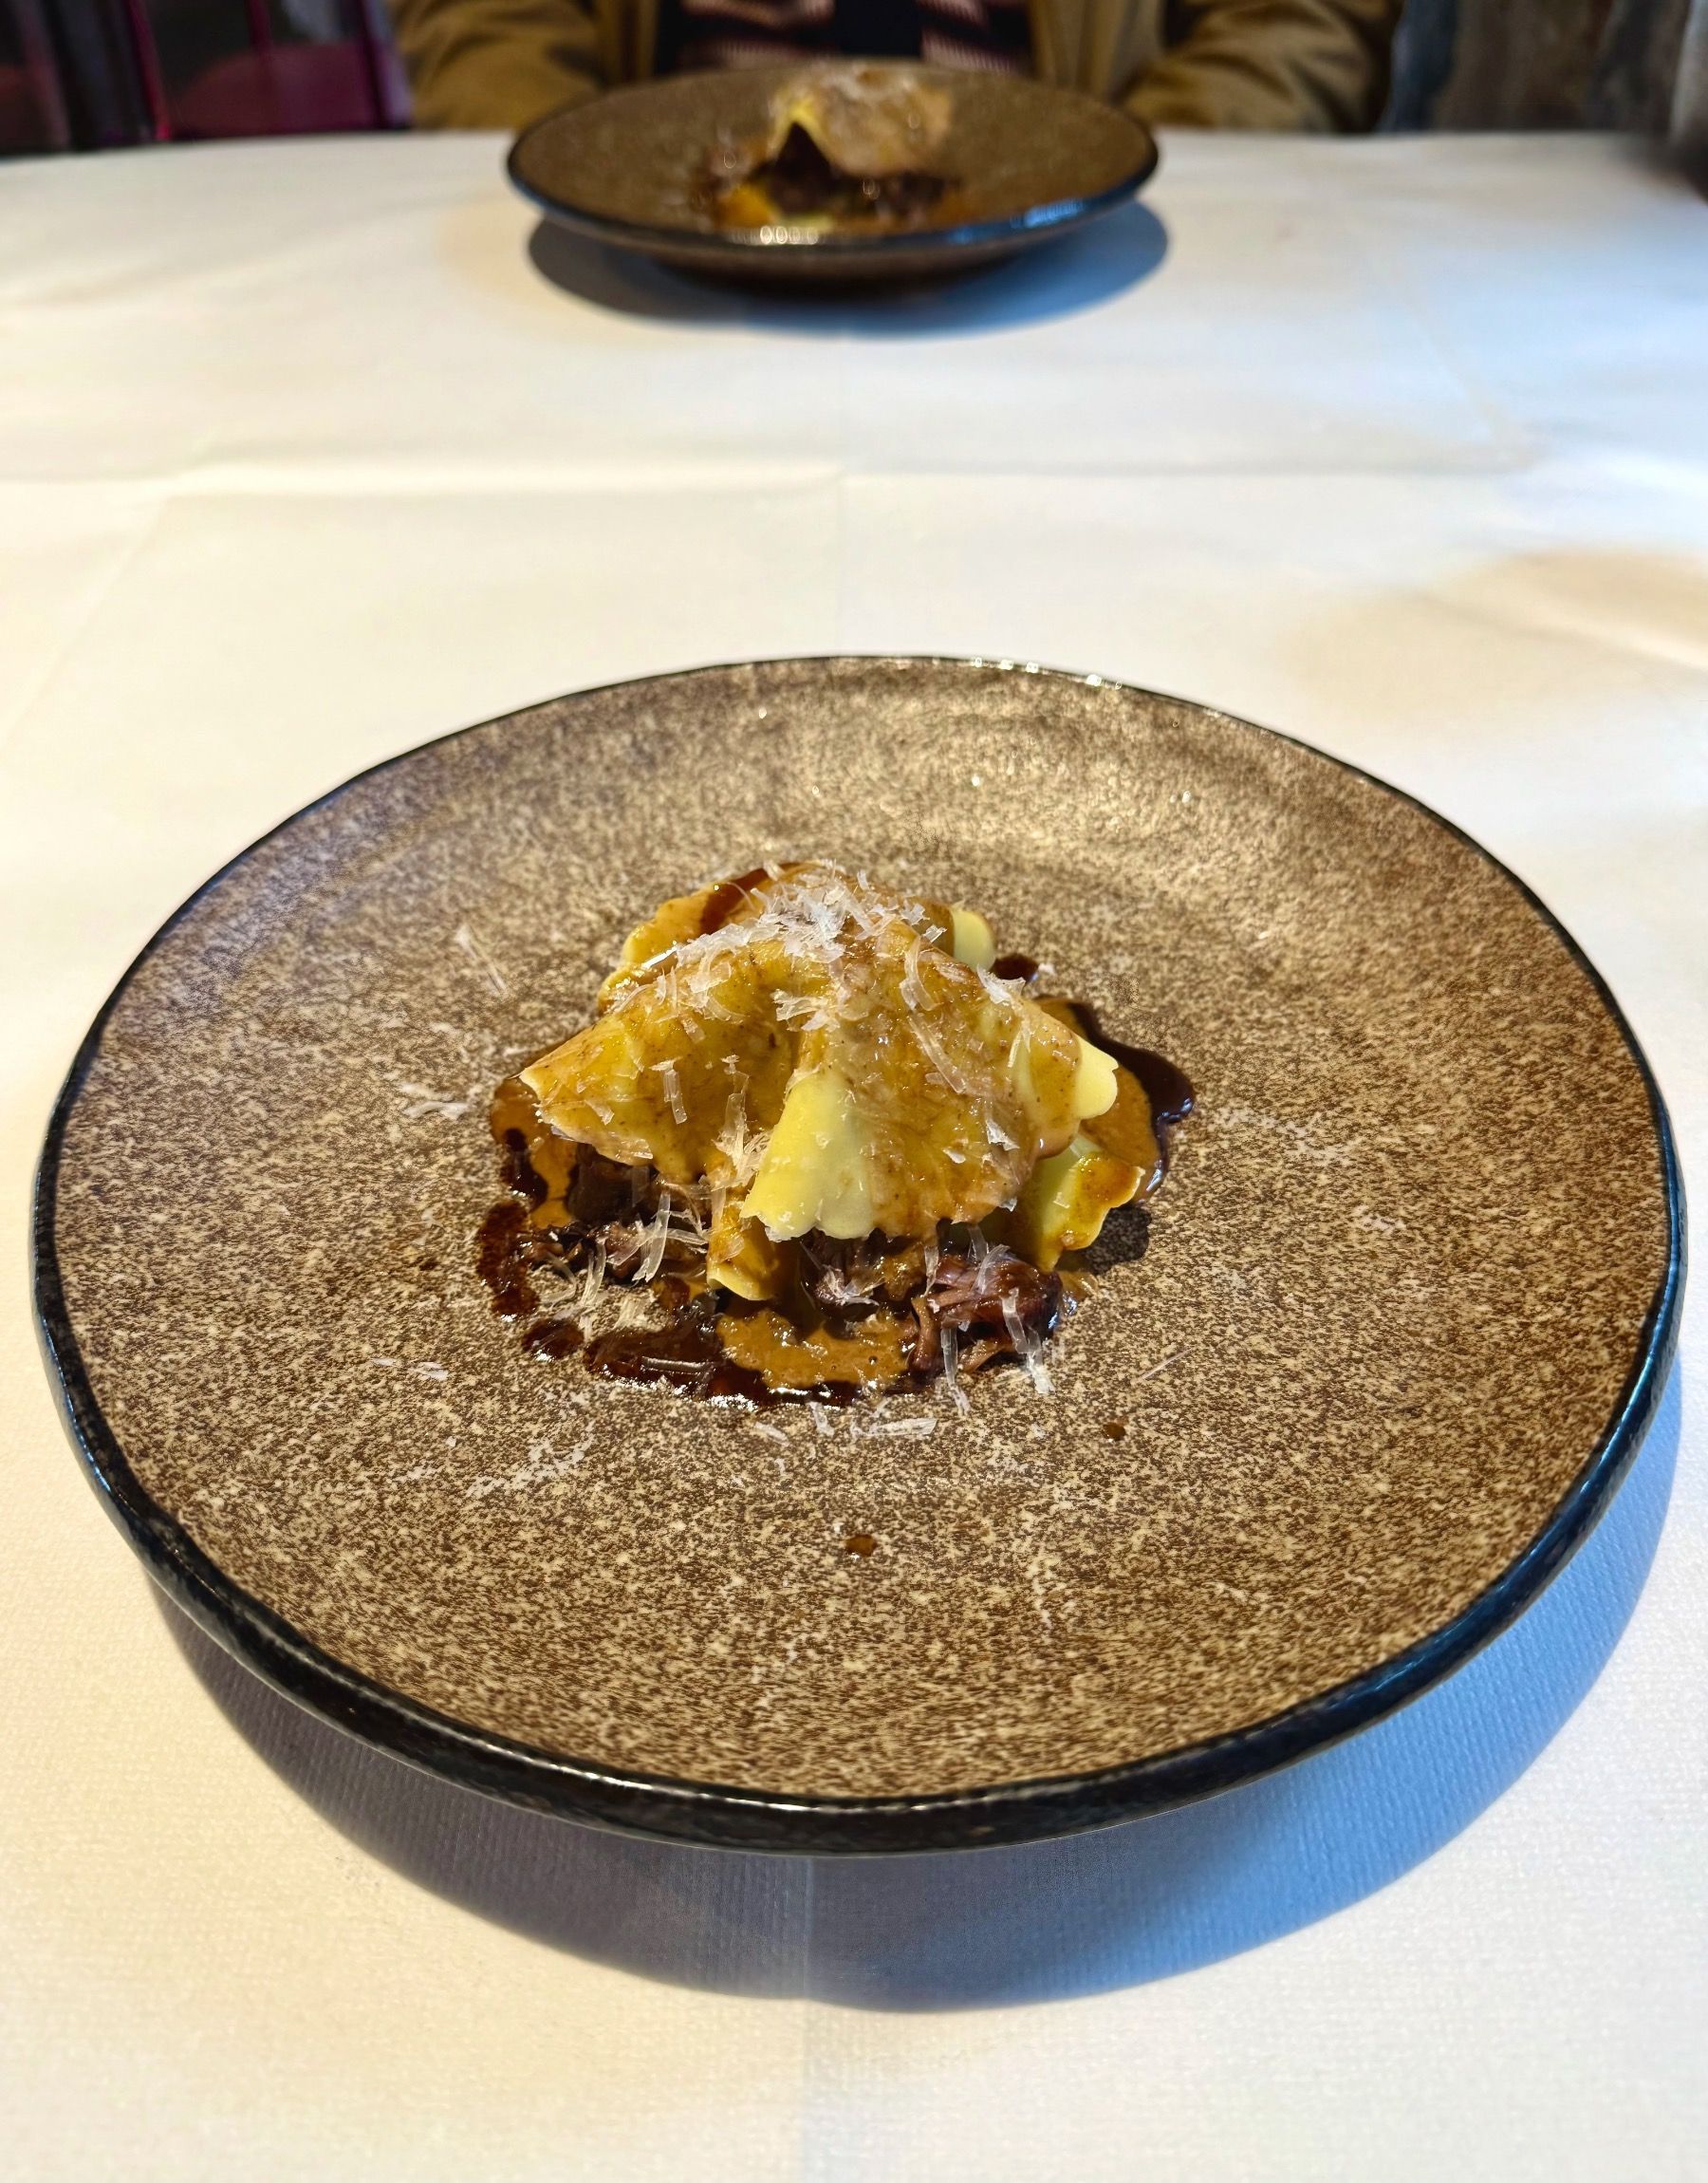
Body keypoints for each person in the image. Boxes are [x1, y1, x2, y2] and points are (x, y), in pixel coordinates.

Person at [387, 0, 1403, 136]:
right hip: (664, 263)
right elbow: (490, 25)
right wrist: (579, 171)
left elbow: (1291, 24)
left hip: (1072, 268)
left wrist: (1122, 172)